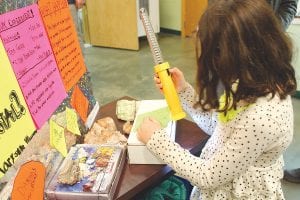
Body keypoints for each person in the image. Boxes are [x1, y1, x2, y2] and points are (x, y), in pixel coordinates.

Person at [137, 0, 297, 199]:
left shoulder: (261, 117)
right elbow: (219, 127)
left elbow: (208, 175)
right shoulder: (248, 82)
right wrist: (183, 90)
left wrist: (157, 141)